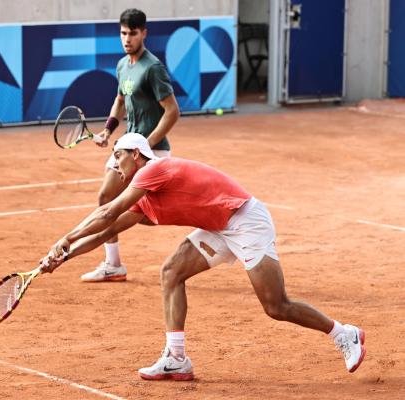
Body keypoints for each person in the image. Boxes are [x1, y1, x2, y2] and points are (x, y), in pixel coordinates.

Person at [41, 133, 366, 381]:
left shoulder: (154, 169)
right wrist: (63, 256)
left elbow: (108, 210)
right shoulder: (144, 200)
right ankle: (176, 359)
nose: (116, 166)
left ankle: (343, 333)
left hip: (244, 221)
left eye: (118, 157)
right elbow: (104, 230)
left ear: (136, 155)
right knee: (171, 272)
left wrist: (65, 238)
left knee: (276, 306)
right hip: (217, 227)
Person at [80, 8, 180, 282]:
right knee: (105, 198)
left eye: (133, 33)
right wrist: (107, 131)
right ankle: (113, 265)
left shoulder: (153, 68)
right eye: (123, 33)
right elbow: (121, 100)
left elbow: (172, 111)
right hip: (128, 147)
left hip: (152, 149)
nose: (127, 39)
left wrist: (145, 146)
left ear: (143, 33)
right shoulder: (123, 64)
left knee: (148, 213)